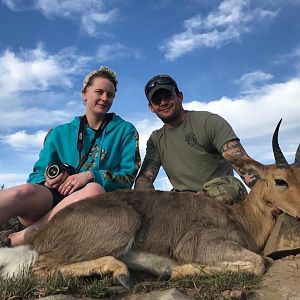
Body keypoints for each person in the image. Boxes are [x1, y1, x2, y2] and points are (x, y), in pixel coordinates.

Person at [0, 66, 141, 247]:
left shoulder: (125, 130)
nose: (105, 98)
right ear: (84, 94)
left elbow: (128, 177)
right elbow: (36, 175)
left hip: (95, 208)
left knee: (93, 190)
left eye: (110, 94)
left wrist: (91, 176)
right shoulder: (58, 133)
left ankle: (18, 240)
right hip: (52, 200)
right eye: (99, 92)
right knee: (24, 191)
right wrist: (48, 182)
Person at [134, 74, 258, 203]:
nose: (163, 102)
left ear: (180, 96)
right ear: (151, 108)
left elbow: (245, 166)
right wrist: (147, 198)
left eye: (168, 96)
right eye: (157, 100)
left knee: (232, 188)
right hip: (184, 206)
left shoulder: (209, 122)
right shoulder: (156, 139)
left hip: (219, 203)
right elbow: (145, 177)